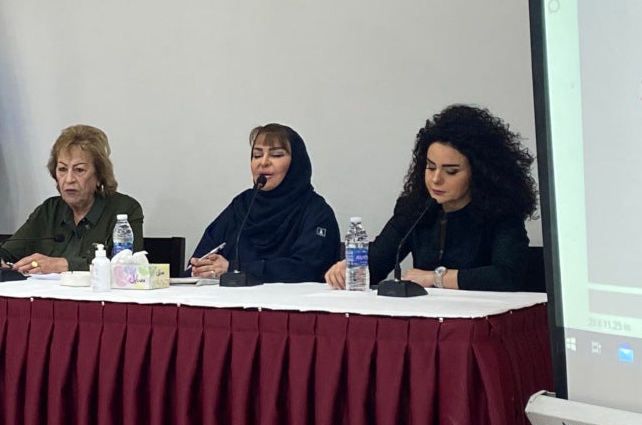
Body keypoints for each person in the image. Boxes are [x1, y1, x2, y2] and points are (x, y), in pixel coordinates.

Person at [324, 104, 538, 291]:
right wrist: (350, 269)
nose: (436, 179)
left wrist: (436, 278)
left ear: (479, 173)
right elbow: (379, 262)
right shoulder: (415, 208)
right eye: (430, 167)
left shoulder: (501, 214)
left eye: (451, 171)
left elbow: (507, 277)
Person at [0, 124, 143, 274]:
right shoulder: (49, 210)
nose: (68, 179)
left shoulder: (124, 209)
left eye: (79, 170)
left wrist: (65, 265)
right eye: (62, 169)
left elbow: (127, 268)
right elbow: (10, 251)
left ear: (99, 175)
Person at [187, 123, 340, 283]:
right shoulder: (242, 205)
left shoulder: (316, 211)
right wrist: (202, 268)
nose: (264, 162)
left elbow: (308, 269)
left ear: (296, 163)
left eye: (276, 155)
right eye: (257, 155)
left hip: (289, 305)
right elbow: (201, 257)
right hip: (232, 303)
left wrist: (235, 269)